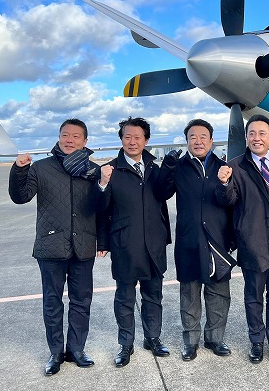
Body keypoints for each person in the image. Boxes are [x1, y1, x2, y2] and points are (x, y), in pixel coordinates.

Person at [8, 118, 103, 376]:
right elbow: (20, 197)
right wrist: (19, 170)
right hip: (51, 246)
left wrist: (102, 241)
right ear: (59, 137)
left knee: (81, 301)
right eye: (65, 135)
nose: (69, 140)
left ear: (85, 141)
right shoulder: (41, 168)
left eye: (75, 136)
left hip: (83, 245)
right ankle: (55, 352)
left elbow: (101, 208)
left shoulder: (93, 171)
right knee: (52, 301)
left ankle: (77, 349)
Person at [216, 114, 269, 363]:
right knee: (253, 296)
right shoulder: (236, 166)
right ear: (246, 137)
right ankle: (256, 341)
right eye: (251, 133)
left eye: (262, 133)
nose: (256, 138)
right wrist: (224, 183)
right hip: (252, 242)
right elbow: (228, 200)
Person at [158, 119, 235, 362]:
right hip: (189, 239)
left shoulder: (224, 166)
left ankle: (215, 338)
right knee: (189, 294)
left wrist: (224, 183)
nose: (198, 141)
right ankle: (190, 341)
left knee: (219, 293)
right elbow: (161, 192)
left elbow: (230, 201)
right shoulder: (179, 166)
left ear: (211, 141)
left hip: (217, 240)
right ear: (187, 141)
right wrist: (167, 166)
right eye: (193, 137)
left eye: (203, 137)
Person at [97, 117, 171, 368]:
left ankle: (153, 338)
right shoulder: (109, 170)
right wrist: (102, 184)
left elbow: (164, 198)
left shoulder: (154, 168)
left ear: (146, 141)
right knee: (125, 298)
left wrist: (164, 236)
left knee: (153, 295)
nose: (132, 141)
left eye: (137, 137)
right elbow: (101, 210)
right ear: (121, 140)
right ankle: (125, 344)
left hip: (153, 244)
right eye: (127, 137)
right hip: (125, 244)